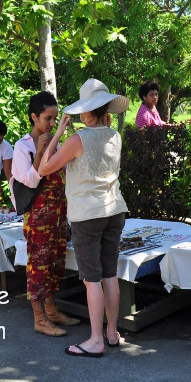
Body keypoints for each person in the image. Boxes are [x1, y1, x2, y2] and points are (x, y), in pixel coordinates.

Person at [39, 79, 129, 358]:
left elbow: (44, 168)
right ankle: (111, 333)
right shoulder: (115, 135)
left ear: (86, 110)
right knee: (109, 274)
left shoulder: (77, 140)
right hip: (114, 209)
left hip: (87, 214)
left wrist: (59, 133)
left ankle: (95, 340)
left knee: (91, 279)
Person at [10, 91, 80, 337]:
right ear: (34, 117)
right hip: (38, 215)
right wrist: (41, 151)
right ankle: (39, 318)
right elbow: (30, 181)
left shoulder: (56, 143)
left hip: (58, 213)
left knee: (55, 262)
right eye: (47, 118)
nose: (51, 123)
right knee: (39, 264)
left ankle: (52, 310)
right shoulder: (22, 147)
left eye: (54, 119)